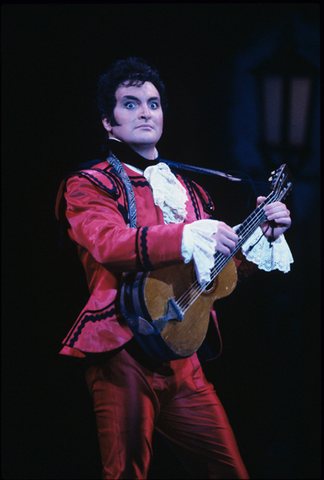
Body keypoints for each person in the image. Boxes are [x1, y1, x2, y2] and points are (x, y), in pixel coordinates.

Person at [55, 57, 293, 479]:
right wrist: (187, 236)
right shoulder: (90, 184)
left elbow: (216, 275)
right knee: (125, 473)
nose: (145, 111)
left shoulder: (191, 191)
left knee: (230, 472)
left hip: (184, 356)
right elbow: (109, 244)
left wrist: (263, 236)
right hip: (123, 347)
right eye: (130, 104)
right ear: (109, 123)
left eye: (153, 103)